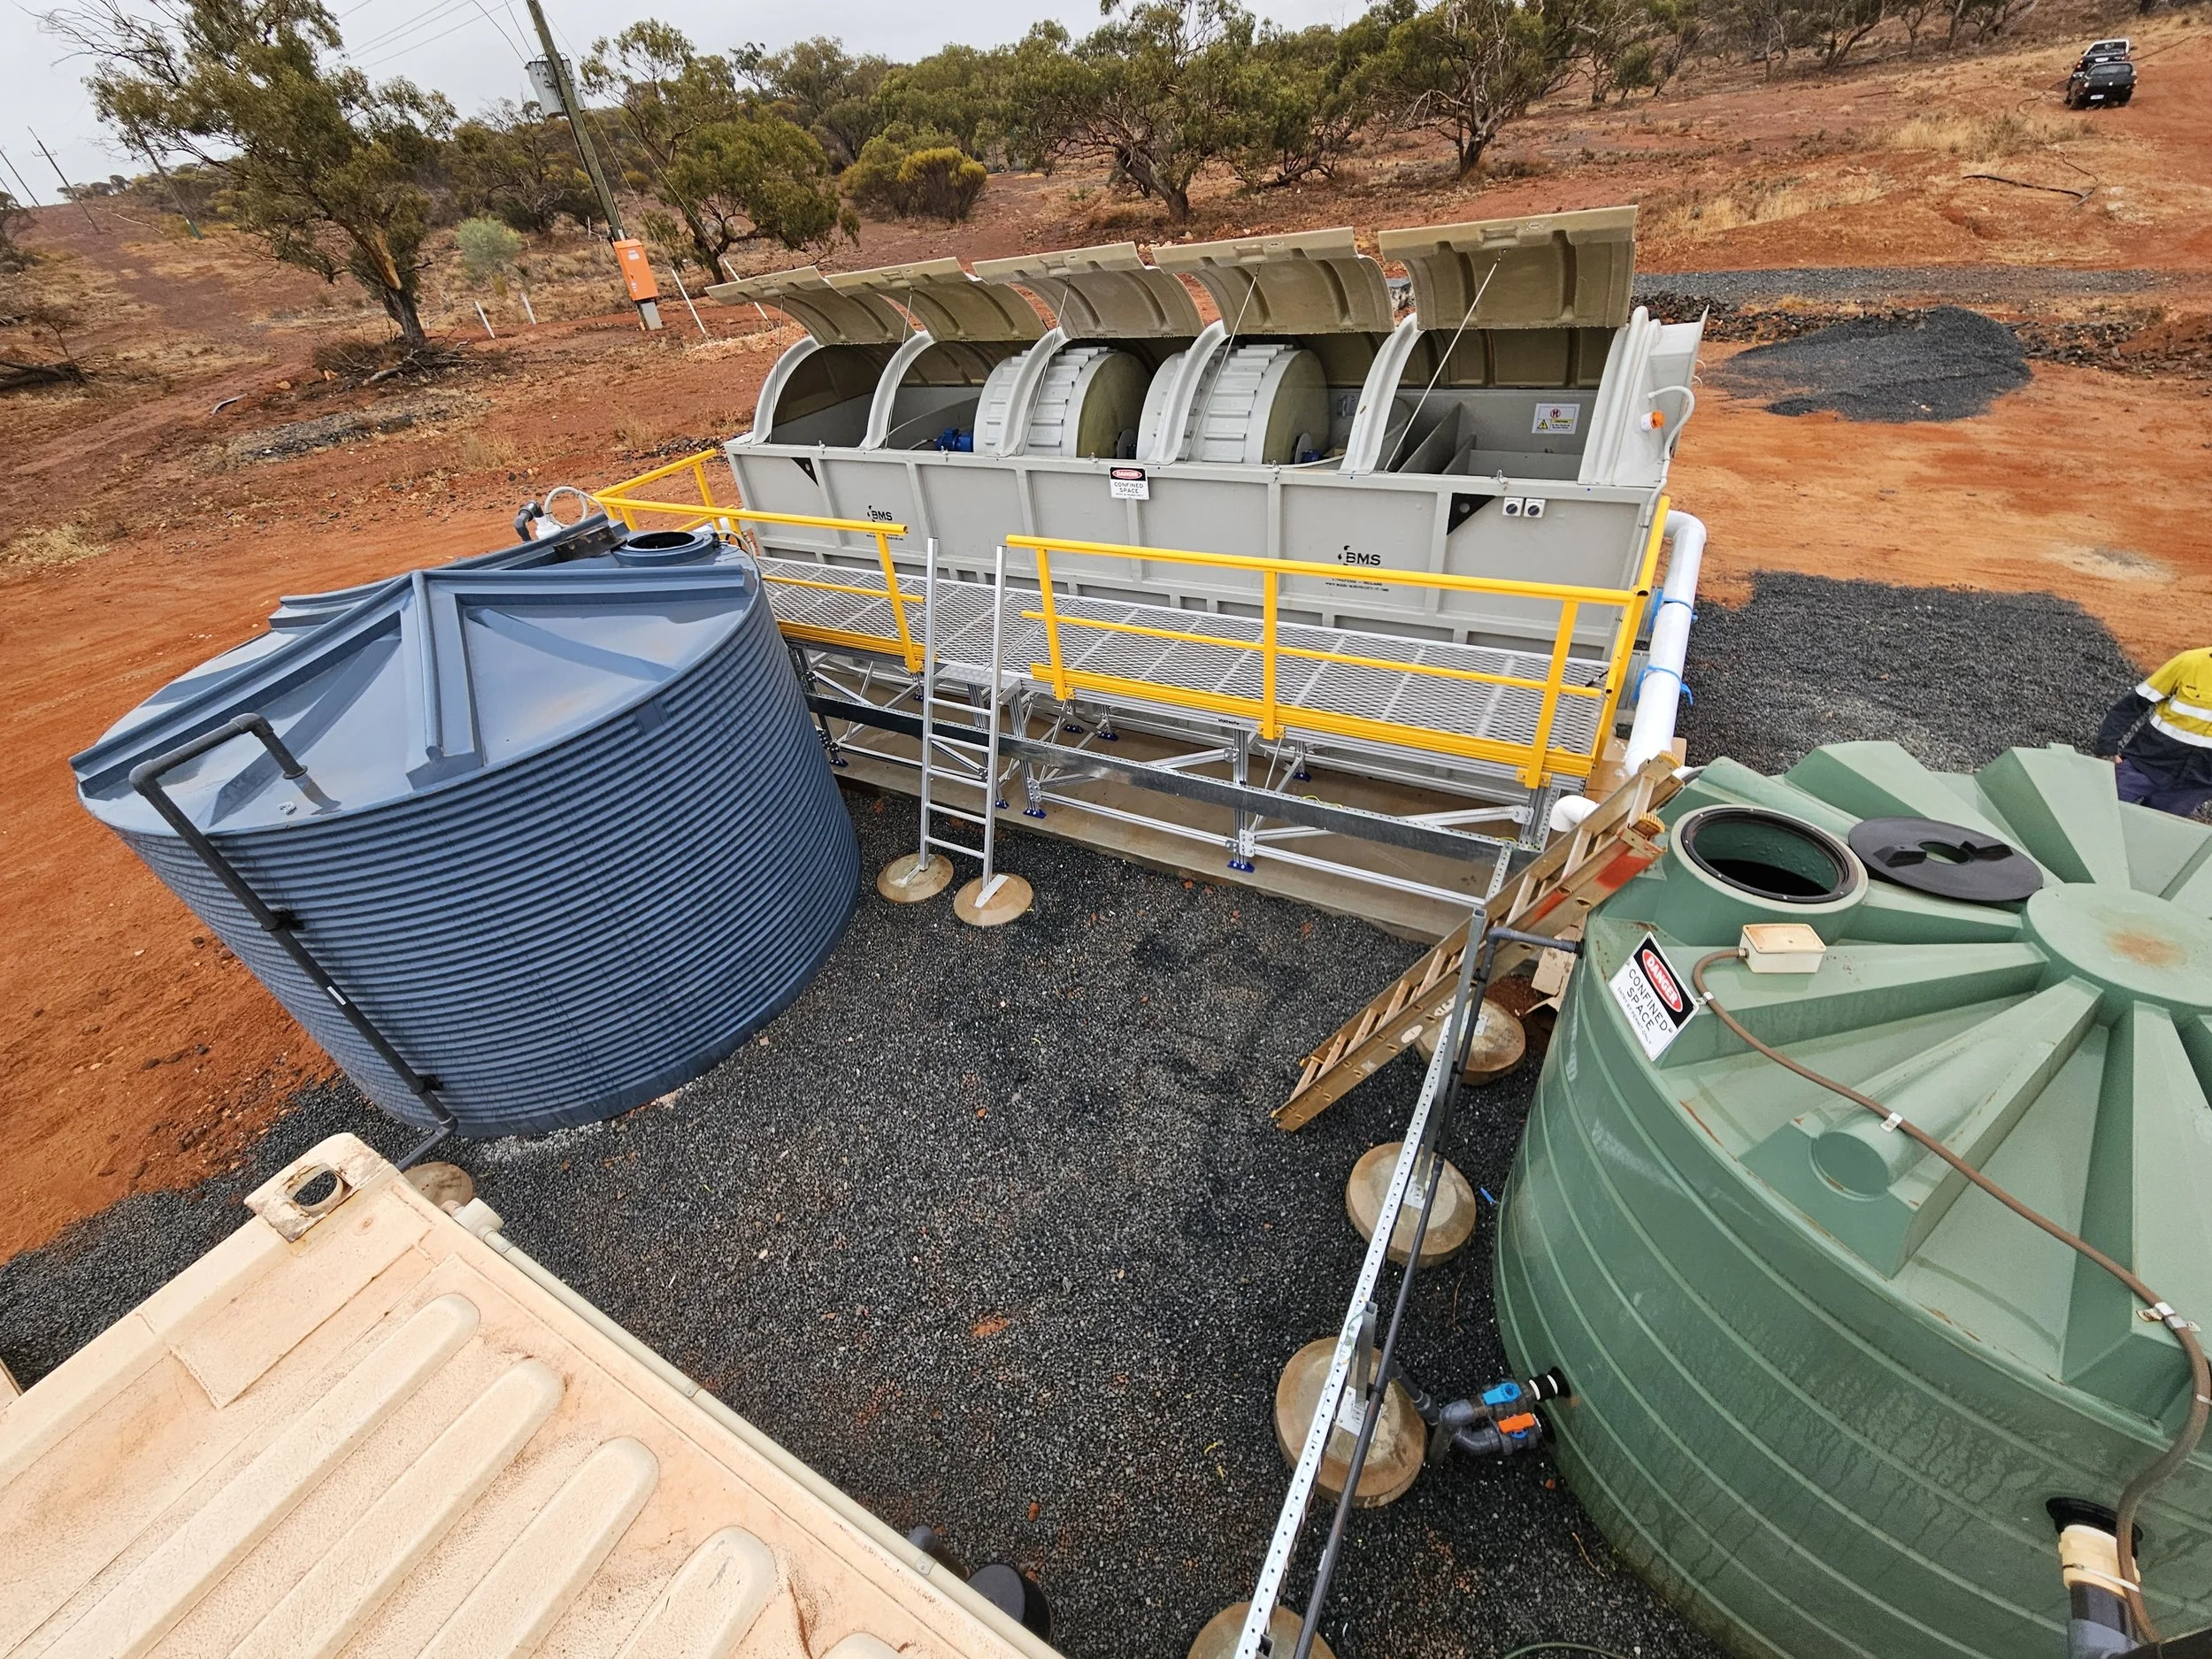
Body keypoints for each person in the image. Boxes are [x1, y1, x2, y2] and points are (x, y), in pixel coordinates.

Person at [2094, 645, 2212, 818]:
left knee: (2153, 831)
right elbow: (2133, 704)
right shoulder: (2190, 662)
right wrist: (2107, 748)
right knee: (2098, 813)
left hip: (2192, 785)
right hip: (2146, 763)